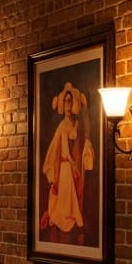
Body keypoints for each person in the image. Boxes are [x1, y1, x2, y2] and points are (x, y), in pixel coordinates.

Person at [40, 82, 95, 245]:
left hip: (74, 167)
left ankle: (74, 220)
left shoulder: (76, 124)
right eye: (65, 101)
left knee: (75, 192)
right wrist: (52, 174)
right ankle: (67, 219)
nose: (67, 105)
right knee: (65, 196)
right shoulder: (62, 125)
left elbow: (83, 140)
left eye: (70, 101)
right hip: (64, 167)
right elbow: (53, 149)